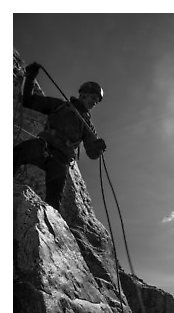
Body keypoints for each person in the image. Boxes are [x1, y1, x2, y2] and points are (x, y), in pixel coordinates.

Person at [14, 62, 107, 210]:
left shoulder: (87, 126)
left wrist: (98, 147)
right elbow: (28, 101)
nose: (94, 103)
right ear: (83, 94)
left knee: (54, 202)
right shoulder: (60, 105)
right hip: (44, 148)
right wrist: (30, 78)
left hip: (60, 160)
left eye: (96, 101)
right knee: (15, 154)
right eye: (93, 98)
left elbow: (91, 153)